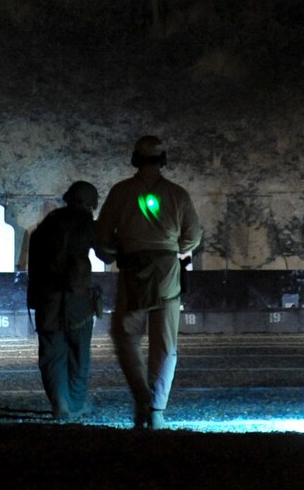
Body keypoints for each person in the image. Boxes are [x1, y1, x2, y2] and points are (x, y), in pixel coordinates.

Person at [96, 135, 203, 429]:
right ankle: (156, 408)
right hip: (167, 268)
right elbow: (193, 236)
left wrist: (119, 249)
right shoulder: (177, 194)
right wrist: (173, 249)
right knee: (165, 342)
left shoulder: (121, 192)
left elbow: (103, 236)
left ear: (134, 160)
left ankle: (141, 395)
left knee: (125, 335)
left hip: (133, 268)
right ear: (163, 160)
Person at [27, 181, 109, 421]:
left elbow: (34, 264)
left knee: (52, 353)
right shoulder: (87, 224)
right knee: (79, 353)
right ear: (91, 203)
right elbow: (107, 254)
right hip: (78, 300)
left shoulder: (48, 223)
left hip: (48, 299)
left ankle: (59, 404)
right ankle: (76, 402)